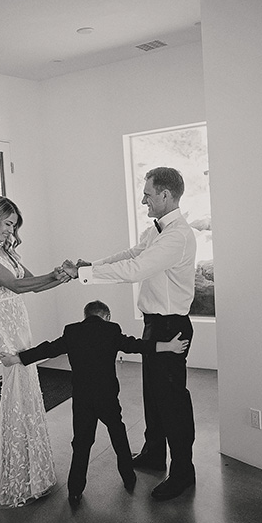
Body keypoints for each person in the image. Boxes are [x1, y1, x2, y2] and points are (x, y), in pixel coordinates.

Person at [66, 167, 197, 501]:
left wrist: (85, 276)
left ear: (166, 195)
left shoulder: (177, 236)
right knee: (153, 397)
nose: (144, 200)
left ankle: (183, 472)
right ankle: (154, 454)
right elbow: (130, 255)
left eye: (148, 194)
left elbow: (136, 270)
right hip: (154, 324)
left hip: (171, 327)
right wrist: (89, 266)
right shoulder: (155, 232)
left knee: (172, 403)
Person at [0, 300, 190, 507]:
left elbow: (47, 349)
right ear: (106, 316)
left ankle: (74, 492)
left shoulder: (72, 332)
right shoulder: (111, 330)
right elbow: (136, 345)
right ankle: (128, 478)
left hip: (82, 400)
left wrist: (16, 358)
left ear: (85, 316)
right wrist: (169, 346)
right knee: (118, 435)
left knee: (81, 444)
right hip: (107, 398)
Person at [0, 196, 72, 507]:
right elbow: (16, 286)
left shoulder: (6, 252)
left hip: (20, 324)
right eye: (8, 224)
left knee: (27, 396)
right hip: (3, 328)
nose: (10, 231)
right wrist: (53, 276)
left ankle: (30, 471)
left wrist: (61, 277)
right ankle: (13, 477)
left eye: (14, 226)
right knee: (16, 398)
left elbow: (34, 285)